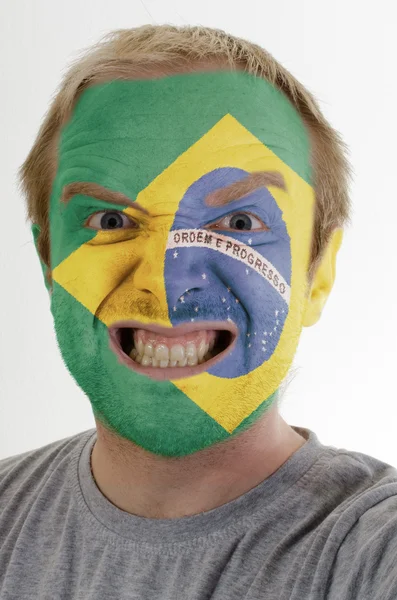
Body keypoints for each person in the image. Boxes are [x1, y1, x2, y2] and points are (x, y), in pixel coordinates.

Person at [1, 24, 396, 600]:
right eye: (110, 222)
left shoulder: (372, 549)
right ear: (48, 263)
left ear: (319, 273)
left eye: (238, 225)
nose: (165, 285)